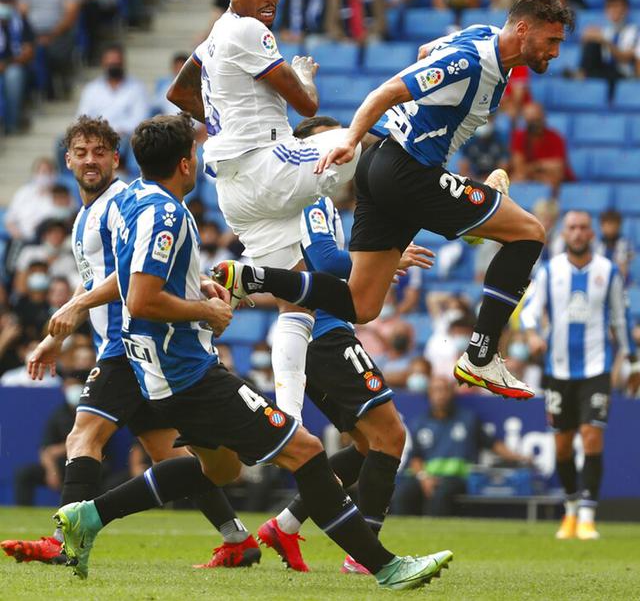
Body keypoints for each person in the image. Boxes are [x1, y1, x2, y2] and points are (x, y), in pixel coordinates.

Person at [53, 113, 453, 588]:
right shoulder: (167, 214)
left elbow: (134, 276)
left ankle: (91, 515)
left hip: (160, 374)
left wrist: (198, 285)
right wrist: (207, 313)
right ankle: (384, 565)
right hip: (190, 376)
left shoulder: (130, 203)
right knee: (304, 452)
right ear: (186, 163)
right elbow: (140, 298)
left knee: (221, 468)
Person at [215, 0, 574, 402]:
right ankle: (482, 354)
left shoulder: (482, 38)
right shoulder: (470, 61)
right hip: (406, 171)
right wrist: (351, 139)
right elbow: (386, 93)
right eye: (551, 41)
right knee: (529, 232)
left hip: (386, 171)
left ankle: (251, 277)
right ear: (524, 30)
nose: (555, 52)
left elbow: (425, 50)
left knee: (362, 304)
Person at [4, 115, 261, 570]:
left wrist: (76, 306)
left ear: (115, 159)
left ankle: (65, 541)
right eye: (80, 152)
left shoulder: (123, 199)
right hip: (130, 347)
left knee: (83, 435)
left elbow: (136, 273)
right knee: (171, 456)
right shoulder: (85, 214)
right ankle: (238, 540)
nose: (90, 160)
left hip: (130, 343)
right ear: (67, 159)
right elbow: (142, 267)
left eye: (99, 152)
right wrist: (54, 338)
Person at [166, 0, 364, 424]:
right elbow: (307, 106)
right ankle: (448, 209)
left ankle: (289, 420)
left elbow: (178, 92)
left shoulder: (214, 37)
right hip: (268, 165)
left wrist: (225, 123)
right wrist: (303, 73)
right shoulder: (250, 30)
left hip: (234, 189)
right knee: (372, 134)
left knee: (296, 299)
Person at [259, 115, 430, 574]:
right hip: (327, 336)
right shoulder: (313, 199)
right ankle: (365, 549)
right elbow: (327, 260)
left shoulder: (307, 201)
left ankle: (286, 525)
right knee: (390, 435)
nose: (343, 150)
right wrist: (383, 259)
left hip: (316, 337)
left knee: (362, 444)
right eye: (328, 142)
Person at [521, 210, 640, 541]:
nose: (577, 233)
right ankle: (571, 508)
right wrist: (531, 334)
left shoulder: (608, 271)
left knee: (591, 435)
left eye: (583, 228)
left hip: (596, 368)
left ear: (592, 234)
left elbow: (620, 319)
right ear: (564, 232)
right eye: (572, 227)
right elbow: (530, 311)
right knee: (561, 447)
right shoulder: (549, 271)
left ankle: (587, 514)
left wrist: (632, 363)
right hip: (557, 370)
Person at [393, 376, 530, 517]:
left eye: (444, 390)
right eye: (436, 390)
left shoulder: (468, 419)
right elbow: (416, 458)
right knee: (403, 494)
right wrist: (424, 477)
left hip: (456, 478)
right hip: (427, 477)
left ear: (452, 392)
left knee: (440, 496)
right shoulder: (420, 423)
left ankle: (436, 534)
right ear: (429, 394)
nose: (440, 395)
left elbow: (493, 444)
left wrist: (519, 457)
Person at [13, 369, 86, 507]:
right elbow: (46, 448)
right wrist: (51, 471)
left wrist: (62, 448)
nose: (72, 389)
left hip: (84, 463)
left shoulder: (92, 412)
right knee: (24, 473)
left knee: (99, 474)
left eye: (75, 385)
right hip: (60, 465)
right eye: (68, 385)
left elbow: (92, 441)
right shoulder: (58, 414)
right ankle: (23, 512)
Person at [17, 0, 81, 99]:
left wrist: (51, 35)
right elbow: (22, 15)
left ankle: (51, 89)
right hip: (33, 33)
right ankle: (42, 91)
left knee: (51, 50)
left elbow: (71, 14)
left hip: (59, 33)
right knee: (33, 50)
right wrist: (34, 36)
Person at [75, 46, 149, 146]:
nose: (114, 67)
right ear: (103, 63)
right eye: (110, 64)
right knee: (64, 142)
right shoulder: (91, 89)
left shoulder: (137, 88)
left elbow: (140, 119)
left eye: (116, 63)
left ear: (123, 63)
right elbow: (82, 116)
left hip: (124, 136)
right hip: (95, 135)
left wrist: (117, 131)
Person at [579, 0, 639, 86]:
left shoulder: (634, 31)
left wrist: (605, 42)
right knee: (592, 43)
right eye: (610, 7)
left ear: (626, 9)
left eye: (617, 6)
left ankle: (582, 75)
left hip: (623, 74)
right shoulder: (605, 30)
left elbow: (625, 58)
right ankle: (582, 73)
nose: (614, 10)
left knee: (608, 72)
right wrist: (586, 38)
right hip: (604, 70)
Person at [511, 100, 574, 189]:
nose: (535, 124)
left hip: (555, 180)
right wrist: (540, 169)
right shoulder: (519, 136)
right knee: (516, 179)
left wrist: (535, 166)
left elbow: (558, 168)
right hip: (533, 177)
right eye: (531, 121)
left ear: (543, 117)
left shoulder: (555, 137)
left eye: (537, 120)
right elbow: (519, 168)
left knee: (551, 181)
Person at [0, 0, 34, 133]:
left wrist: (7, 63)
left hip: (14, 65)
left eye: (7, 0)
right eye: (1, 0)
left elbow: (28, 52)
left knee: (13, 76)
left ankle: (11, 125)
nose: (4, 3)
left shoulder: (21, 22)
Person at [595, 209, 634, 282]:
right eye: (607, 224)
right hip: (599, 280)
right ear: (601, 225)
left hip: (622, 282)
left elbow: (626, 269)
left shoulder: (626, 245)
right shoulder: (595, 245)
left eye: (613, 224)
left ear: (619, 225)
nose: (610, 228)